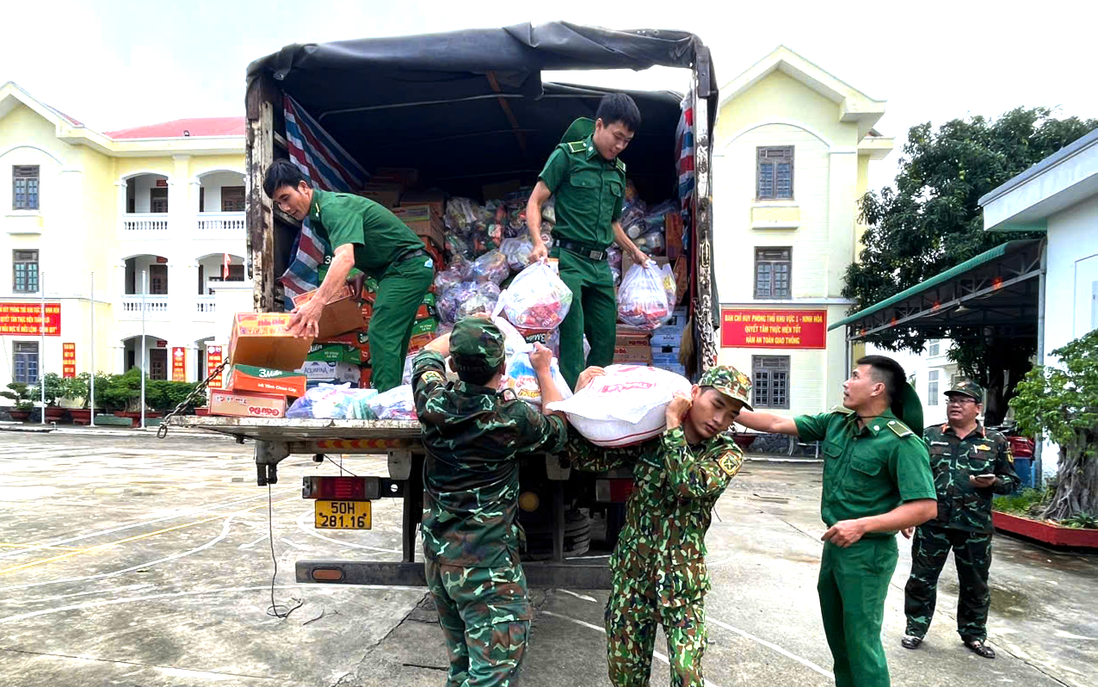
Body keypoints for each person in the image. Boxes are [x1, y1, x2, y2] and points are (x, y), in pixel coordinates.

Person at [736, 355, 938, 687]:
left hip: (868, 553)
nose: (846, 382)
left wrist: (862, 525)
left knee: (862, 644)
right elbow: (774, 423)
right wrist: (720, 407)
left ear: (877, 388)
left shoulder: (900, 442)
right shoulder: (838, 423)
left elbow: (925, 507)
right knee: (840, 642)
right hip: (836, 547)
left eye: (854, 376)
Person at [566, 364, 752, 687]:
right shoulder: (646, 437)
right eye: (717, 405)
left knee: (686, 673)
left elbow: (689, 484)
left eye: (731, 415)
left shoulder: (726, 453)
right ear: (694, 393)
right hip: (633, 578)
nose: (720, 420)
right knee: (626, 676)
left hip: (683, 583)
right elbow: (586, 459)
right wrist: (581, 397)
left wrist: (672, 426)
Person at [410, 316, 569, 687]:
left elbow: (426, 357)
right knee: (491, 677)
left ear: (453, 366)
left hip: (442, 563)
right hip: (487, 569)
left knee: (464, 671)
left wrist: (466, 330)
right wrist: (543, 370)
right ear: (502, 367)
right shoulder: (510, 417)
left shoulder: (433, 402)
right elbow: (559, 429)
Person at [263, 158, 433, 392]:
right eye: (278, 203)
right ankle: (394, 398)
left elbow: (345, 257)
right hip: (399, 269)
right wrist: (363, 273)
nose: (285, 208)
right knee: (394, 338)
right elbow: (369, 243)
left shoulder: (333, 208)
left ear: (303, 186)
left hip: (407, 268)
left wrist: (317, 304)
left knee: (382, 331)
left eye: (286, 198)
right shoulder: (317, 217)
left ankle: (384, 403)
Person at [526, 93, 649, 388]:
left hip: (600, 267)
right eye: (617, 137)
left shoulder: (618, 171)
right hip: (568, 260)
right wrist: (536, 242)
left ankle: (595, 400)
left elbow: (613, 222)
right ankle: (570, 411)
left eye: (627, 141)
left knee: (606, 338)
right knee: (572, 337)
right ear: (599, 125)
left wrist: (635, 252)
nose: (620, 146)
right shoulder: (568, 156)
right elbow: (535, 200)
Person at [901, 380, 1018, 659]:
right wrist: (907, 511)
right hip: (933, 523)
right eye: (952, 399)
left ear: (977, 408)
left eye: (963, 400)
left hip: (974, 526)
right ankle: (915, 628)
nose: (955, 404)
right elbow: (914, 477)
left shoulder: (995, 441)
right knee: (921, 578)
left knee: (975, 583)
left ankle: (974, 635)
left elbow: (1012, 482)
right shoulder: (929, 436)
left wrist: (992, 483)